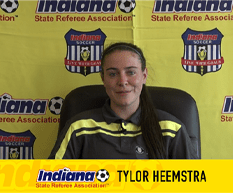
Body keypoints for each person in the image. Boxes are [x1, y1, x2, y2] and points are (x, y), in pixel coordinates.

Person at [49, 42, 198, 159]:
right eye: (113, 74)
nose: (123, 81)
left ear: (144, 76)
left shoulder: (171, 129)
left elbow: (193, 184)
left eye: (131, 72)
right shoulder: (78, 127)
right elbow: (50, 180)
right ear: (103, 78)